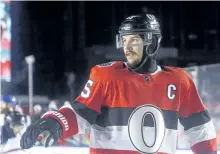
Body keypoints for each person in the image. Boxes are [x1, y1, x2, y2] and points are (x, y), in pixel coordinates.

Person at [20, 14, 217, 154]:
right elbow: (81, 113)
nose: (127, 47)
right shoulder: (105, 75)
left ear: (153, 43)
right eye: (124, 40)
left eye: (134, 41)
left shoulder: (179, 81)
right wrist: (55, 122)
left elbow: (199, 129)